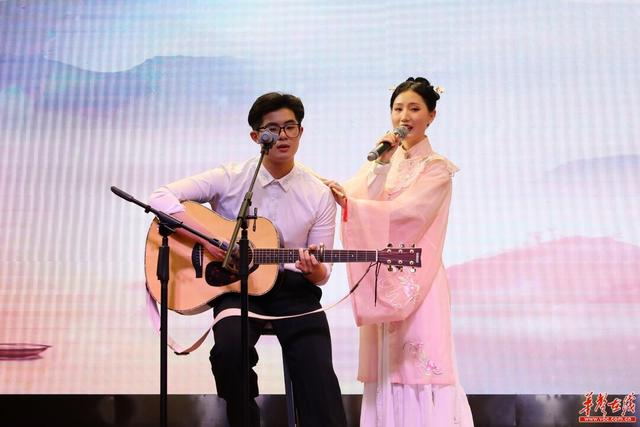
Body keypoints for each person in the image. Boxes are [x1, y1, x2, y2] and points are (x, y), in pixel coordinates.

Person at [148, 92, 347, 427]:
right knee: (228, 353)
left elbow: (322, 273)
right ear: (256, 137)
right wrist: (211, 242)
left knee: (316, 368)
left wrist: (313, 270)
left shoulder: (319, 194)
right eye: (272, 129)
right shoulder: (231, 177)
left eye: (290, 127)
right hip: (235, 286)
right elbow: (160, 197)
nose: (282, 136)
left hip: (295, 291)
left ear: (301, 132)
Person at [325, 77, 474, 426]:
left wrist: (354, 205)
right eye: (398, 108)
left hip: (420, 280)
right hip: (384, 280)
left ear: (432, 116)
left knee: (419, 364)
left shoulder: (437, 168)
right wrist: (378, 167)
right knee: (387, 368)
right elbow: (357, 194)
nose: (404, 116)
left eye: (414, 108)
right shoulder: (383, 159)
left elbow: (410, 215)